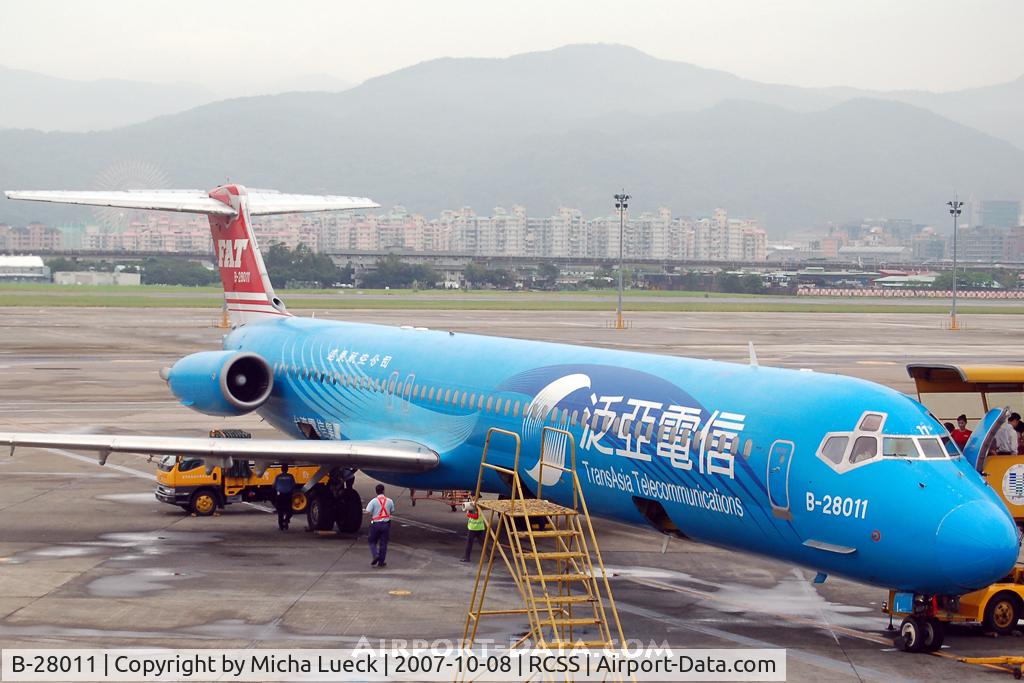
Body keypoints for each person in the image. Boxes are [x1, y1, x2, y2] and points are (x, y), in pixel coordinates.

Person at [364, 484, 394, 567]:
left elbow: (367, 512)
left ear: (376, 491)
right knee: (383, 543)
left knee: (372, 541)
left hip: (376, 524)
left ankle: (375, 554)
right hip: (386, 524)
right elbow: (392, 511)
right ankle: (381, 562)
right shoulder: (389, 501)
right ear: (383, 491)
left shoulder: (373, 501)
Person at [273, 464, 296, 531]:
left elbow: (274, 486)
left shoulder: (278, 477)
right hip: (288, 495)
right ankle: (286, 520)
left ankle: (281, 526)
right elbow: (294, 485)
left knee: (280, 511)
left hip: (280, 495)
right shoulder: (291, 476)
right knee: (290, 510)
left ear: (281, 469)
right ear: (287, 469)